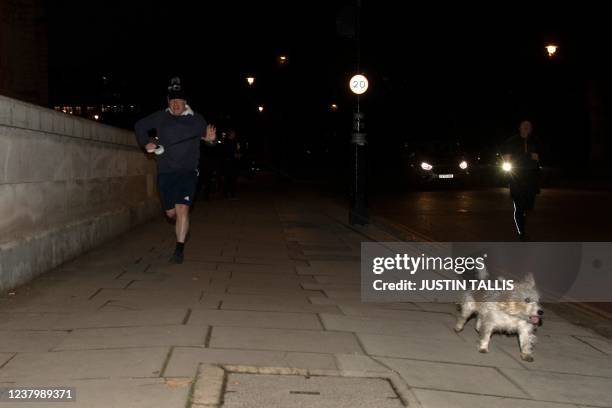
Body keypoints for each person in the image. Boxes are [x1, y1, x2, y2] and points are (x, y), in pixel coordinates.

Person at [134, 77, 216, 263]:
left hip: (188, 171)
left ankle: (179, 249)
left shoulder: (196, 119)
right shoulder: (161, 116)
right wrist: (146, 142)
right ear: (168, 102)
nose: (176, 105)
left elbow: (208, 140)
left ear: (185, 102)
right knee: (171, 213)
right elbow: (139, 126)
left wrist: (211, 139)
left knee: (182, 210)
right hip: (166, 171)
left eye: (179, 101)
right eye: (172, 102)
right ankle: (182, 225)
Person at [501, 120, 541, 241]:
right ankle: (521, 232)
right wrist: (527, 156)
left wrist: (536, 159)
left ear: (531, 129)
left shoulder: (535, 141)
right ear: (519, 127)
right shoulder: (511, 141)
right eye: (524, 125)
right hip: (517, 178)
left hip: (531, 179)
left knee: (528, 206)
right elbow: (506, 157)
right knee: (519, 206)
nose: (526, 127)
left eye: (529, 126)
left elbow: (539, 157)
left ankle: (523, 217)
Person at [222, 129, 241, 198]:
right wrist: (233, 155)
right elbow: (225, 152)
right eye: (233, 133)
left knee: (233, 178)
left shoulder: (235, 142)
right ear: (230, 134)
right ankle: (225, 194)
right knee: (228, 178)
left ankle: (232, 193)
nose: (234, 135)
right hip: (228, 163)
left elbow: (238, 149)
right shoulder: (226, 142)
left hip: (234, 163)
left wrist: (238, 155)